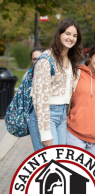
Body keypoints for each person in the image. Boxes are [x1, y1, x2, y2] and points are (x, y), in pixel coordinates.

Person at [29, 19, 84, 151]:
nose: (71, 38)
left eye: (74, 36)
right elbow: (39, 98)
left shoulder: (69, 59)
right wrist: (45, 131)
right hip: (47, 114)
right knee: (49, 163)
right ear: (59, 34)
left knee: (59, 162)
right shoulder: (46, 59)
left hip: (61, 116)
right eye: (67, 33)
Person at [67, 44, 95, 161]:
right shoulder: (76, 74)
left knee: (93, 176)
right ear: (90, 57)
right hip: (75, 134)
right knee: (74, 171)